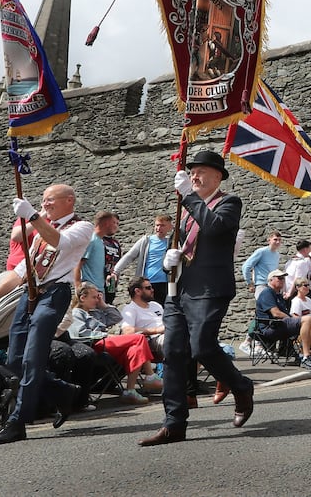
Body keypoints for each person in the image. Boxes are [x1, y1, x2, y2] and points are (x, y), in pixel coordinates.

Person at [139, 150, 254, 446]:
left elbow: (214, 227)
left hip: (210, 288)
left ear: (218, 176)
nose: (195, 176)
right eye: (192, 172)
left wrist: (189, 196)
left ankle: (241, 386)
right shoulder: (186, 211)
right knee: (174, 354)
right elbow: (181, 246)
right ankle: (174, 423)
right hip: (180, 289)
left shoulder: (229, 202)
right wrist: (169, 260)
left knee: (201, 345)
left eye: (202, 171)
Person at [0, 184, 94, 445]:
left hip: (55, 294)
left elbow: (61, 243)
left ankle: (17, 422)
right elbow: (20, 272)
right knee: (14, 361)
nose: (45, 205)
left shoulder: (82, 227)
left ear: (69, 200)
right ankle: (65, 392)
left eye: (50, 200)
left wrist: (33, 216)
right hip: (29, 294)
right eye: (43, 201)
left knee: (33, 360)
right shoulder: (38, 236)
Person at [69, 282, 160, 404]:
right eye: (94, 297)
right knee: (139, 338)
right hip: (95, 344)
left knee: (135, 349)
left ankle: (130, 391)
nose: (97, 300)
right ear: (83, 298)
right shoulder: (77, 313)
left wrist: (103, 305)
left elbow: (117, 318)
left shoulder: (96, 312)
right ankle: (150, 376)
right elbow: (80, 333)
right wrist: (106, 335)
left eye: (98, 297)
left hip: (107, 343)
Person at [255, 270, 311, 370]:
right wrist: (293, 319)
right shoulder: (267, 293)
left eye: (283, 278)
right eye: (279, 278)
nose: (282, 280)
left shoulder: (278, 295)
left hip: (279, 325)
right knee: (307, 319)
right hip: (271, 328)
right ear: (271, 280)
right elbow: (276, 313)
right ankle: (306, 357)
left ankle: (302, 353)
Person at [112, 214, 173, 305]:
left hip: (165, 283)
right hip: (147, 283)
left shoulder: (171, 242)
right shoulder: (146, 241)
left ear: (169, 227)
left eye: (162, 225)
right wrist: (115, 271)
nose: (159, 228)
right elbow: (129, 256)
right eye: (157, 225)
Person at [120, 275, 165, 359]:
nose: (152, 290)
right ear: (137, 291)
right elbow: (127, 331)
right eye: (148, 288)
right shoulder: (130, 309)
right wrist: (155, 330)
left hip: (168, 333)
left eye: (151, 287)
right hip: (153, 339)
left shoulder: (155, 305)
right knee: (171, 341)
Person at [241, 230, 283, 300]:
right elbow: (246, 266)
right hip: (262, 286)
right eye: (275, 239)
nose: (278, 242)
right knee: (264, 309)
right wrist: (249, 283)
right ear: (269, 240)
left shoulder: (277, 254)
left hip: (273, 287)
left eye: (279, 240)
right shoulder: (261, 252)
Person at [75, 211, 111, 292]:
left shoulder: (101, 241)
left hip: (100, 290)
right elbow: (78, 263)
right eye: (114, 223)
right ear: (107, 223)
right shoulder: (91, 240)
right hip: (90, 290)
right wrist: (78, 286)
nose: (116, 226)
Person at [98, 212, 121, 304]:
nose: (116, 226)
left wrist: (115, 279)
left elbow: (118, 262)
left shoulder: (116, 243)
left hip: (112, 280)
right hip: (98, 280)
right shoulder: (98, 240)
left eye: (117, 224)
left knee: (109, 302)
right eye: (114, 223)